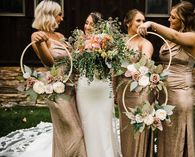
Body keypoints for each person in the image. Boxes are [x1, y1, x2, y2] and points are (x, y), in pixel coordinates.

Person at [138, 1, 195, 157]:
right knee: (166, 137)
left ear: (184, 20)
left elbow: (175, 36)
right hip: (165, 94)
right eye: (170, 16)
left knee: (177, 137)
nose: (169, 20)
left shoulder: (192, 38)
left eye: (173, 18)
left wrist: (150, 24)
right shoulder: (171, 38)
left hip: (180, 94)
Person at [30, 1, 87, 156]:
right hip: (56, 91)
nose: (62, 18)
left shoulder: (60, 36)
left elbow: (72, 60)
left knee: (68, 131)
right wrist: (41, 44)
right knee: (75, 132)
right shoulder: (37, 36)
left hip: (70, 88)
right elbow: (48, 62)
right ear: (49, 15)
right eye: (59, 14)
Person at [75, 12, 121, 157]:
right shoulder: (79, 41)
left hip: (102, 88)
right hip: (85, 88)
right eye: (86, 23)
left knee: (103, 122)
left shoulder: (107, 42)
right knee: (86, 122)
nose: (87, 27)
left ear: (99, 27)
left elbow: (113, 67)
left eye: (91, 24)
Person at [115, 9, 155, 157]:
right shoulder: (119, 42)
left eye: (143, 21)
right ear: (127, 23)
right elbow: (114, 70)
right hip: (122, 92)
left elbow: (145, 63)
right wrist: (114, 92)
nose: (142, 24)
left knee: (138, 128)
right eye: (138, 20)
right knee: (125, 130)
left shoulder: (145, 43)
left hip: (140, 91)